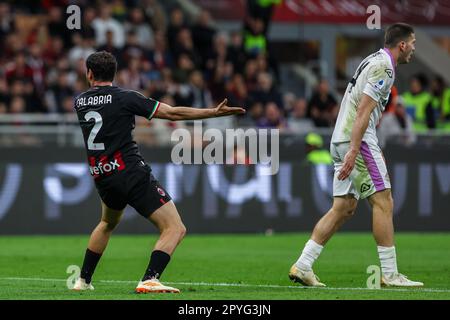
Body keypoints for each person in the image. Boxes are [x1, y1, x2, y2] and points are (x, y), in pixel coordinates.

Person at [72, 51, 245, 293]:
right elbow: (172, 113)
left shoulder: (79, 101)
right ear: (115, 73)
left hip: (103, 175)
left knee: (106, 223)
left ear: (89, 73)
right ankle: (150, 279)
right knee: (175, 228)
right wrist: (212, 113)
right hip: (130, 172)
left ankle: (83, 281)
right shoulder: (125, 98)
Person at [289, 23, 423, 287]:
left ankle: (303, 265)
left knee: (343, 207)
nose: (414, 49)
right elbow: (363, 111)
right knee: (384, 201)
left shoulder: (373, 59)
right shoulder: (384, 67)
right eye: (413, 43)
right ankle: (389, 273)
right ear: (403, 44)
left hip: (341, 137)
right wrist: (355, 149)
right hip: (356, 140)